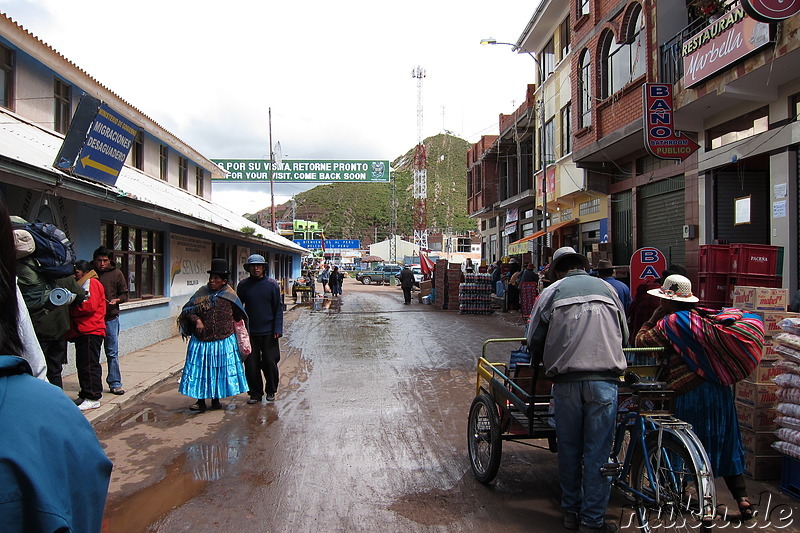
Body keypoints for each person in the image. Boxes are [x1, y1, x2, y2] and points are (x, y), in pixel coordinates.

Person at [635, 274, 757, 521]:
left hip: (690, 393)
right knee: (725, 442)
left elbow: (642, 343)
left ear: (669, 302)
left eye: (663, 302)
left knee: (682, 444)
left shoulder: (671, 323)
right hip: (720, 392)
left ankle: (680, 494)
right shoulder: (704, 319)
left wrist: (651, 319)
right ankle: (742, 499)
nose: (661, 305)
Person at [526, 246, 628, 533]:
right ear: (583, 266)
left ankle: (571, 511)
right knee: (598, 452)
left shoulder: (551, 293)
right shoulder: (608, 290)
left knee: (569, 449)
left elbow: (533, 338)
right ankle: (592, 521)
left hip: (566, 384)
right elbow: (625, 334)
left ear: (558, 269)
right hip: (605, 383)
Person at [15, 232, 85, 388]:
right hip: (59, 331)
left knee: (36, 371)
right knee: (55, 371)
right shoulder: (64, 277)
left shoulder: (23, 274)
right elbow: (81, 295)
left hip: (37, 330)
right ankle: (55, 403)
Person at [178, 258, 249, 411]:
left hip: (223, 340)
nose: (212, 281)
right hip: (202, 340)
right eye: (211, 278)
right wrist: (197, 320)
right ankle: (200, 401)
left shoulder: (230, 295)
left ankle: (216, 400)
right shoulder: (201, 293)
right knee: (202, 371)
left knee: (218, 371)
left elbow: (239, 315)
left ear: (224, 281)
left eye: (216, 278)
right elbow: (187, 311)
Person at [236, 254, 284, 404]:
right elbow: (238, 308)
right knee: (251, 364)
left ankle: (271, 390)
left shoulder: (272, 285)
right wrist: (239, 328)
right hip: (250, 333)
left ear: (263, 267)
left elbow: (278, 308)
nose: (255, 268)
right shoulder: (243, 285)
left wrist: (278, 328)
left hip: (269, 332)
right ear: (248, 268)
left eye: (258, 266)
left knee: (270, 362)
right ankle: (255, 393)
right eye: (252, 266)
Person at [67, 260, 107, 411]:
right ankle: (86, 393)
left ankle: (93, 396)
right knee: (83, 364)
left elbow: (88, 305)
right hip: (84, 330)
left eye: (76, 273)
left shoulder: (91, 282)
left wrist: (70, 308)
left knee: (89, 365)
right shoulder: (85, 283)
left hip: (91, 329)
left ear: (84, 272)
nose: (74, 276)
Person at [92, 246, 128, 396]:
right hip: (93, 320)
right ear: (94, 261)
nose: (102, 264)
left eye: (105, 261)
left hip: (110, 319)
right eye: (99, 260)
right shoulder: (89, 274)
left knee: (112, 352)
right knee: (92, 354)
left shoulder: (116, 274)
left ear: (109, 261)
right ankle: (93, 385)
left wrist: (117, 300)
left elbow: (125, 294)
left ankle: (115, 383)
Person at [627, 264, 687, 345]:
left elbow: (641, 341)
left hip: (645, 345)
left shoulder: (669, 322)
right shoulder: (692, 318)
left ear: (667, 301)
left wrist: (651, 320)